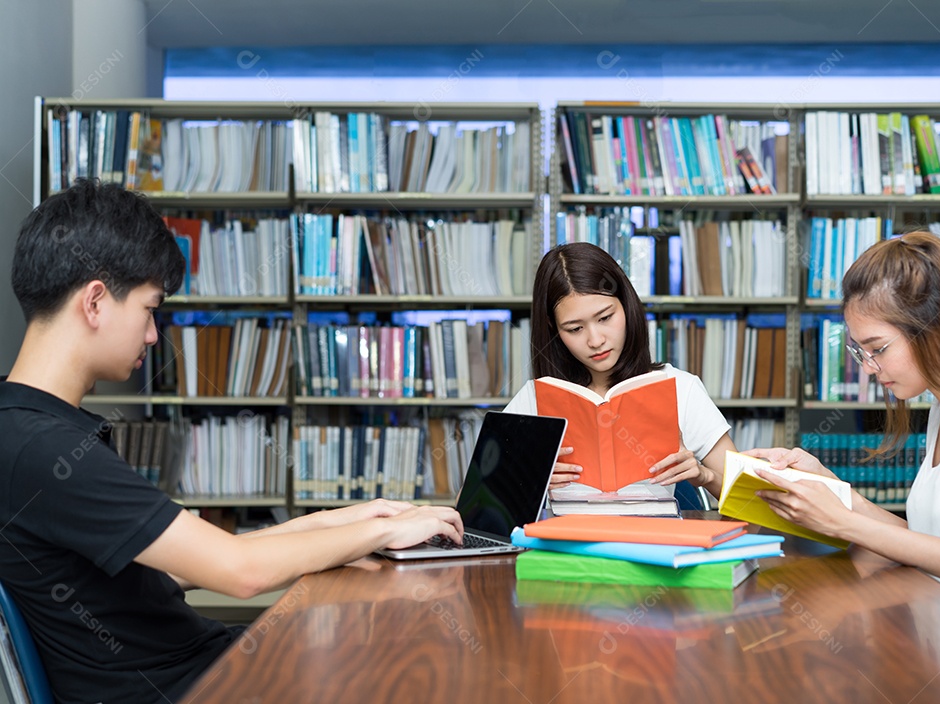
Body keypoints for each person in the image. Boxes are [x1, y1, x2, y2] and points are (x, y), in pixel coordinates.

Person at [0, 180, 464, 702]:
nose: (152, 335)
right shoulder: (46, 450)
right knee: (417, 661)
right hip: (198, 687)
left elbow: (181, 565)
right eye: (150, 309)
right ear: (94, 302)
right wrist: (383, 533)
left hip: (204, 670)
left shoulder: (25, 428)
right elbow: (242, 573)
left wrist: (351, 520)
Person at [747, 231, 940, 656]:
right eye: (862, 353)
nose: (869, 369)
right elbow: (930, 543)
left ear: (935, 331)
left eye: (878, 348)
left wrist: (842, 523)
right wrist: (833, 490)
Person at [503, 242, 737, 499]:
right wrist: (529, 479)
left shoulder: (680, 388)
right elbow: (480, 502)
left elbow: (748, 499)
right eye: (575, 329)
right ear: (553, 329)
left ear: (626, 305)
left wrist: (705, 476)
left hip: (652, 526)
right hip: (568, 527)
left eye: (605, 318)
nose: (595, 340)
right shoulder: (534, 400)